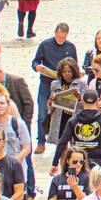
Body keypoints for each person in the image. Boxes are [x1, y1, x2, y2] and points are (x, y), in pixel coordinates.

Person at [31, 22, 78, 153]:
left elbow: (75, 65)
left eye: (63, 37)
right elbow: (35, 61)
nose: (60, 39)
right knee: (41, 113)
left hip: (63, 85)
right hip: (46, 83)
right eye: (59, 37)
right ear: (55, 33)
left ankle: (63, 143)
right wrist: (37, 67)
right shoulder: (45, 45)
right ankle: (41, 141)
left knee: (64, 115)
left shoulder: (70, 47)